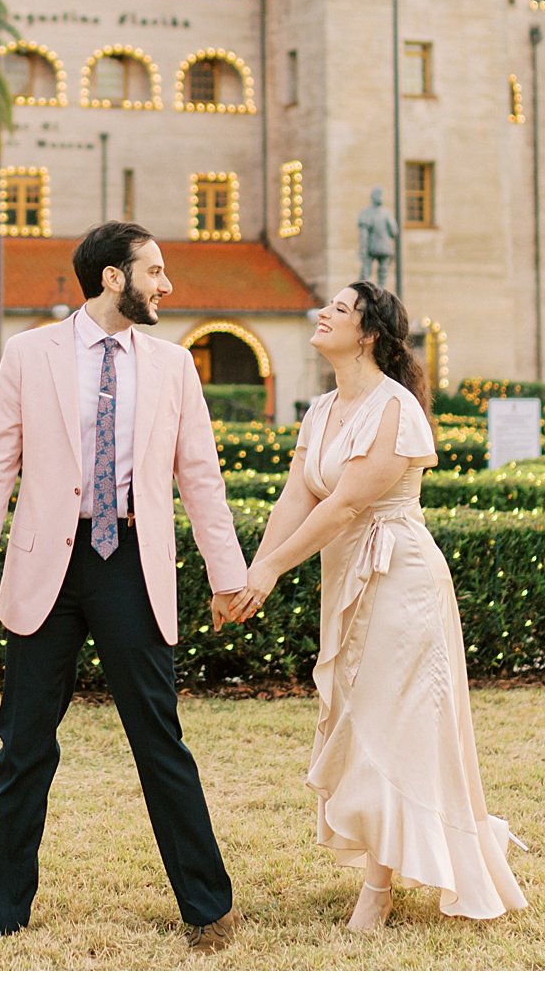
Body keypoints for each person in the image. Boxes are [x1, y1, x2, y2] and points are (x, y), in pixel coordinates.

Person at [0, 222, 251, 951]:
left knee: (159, 739)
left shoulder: (175, 366)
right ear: (113, 278)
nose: (166, 284)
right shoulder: (30, 355)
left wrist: (227, 573)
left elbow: (199, 477)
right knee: (24, 744)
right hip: (44, 566)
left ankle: (208, 909)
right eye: (153, 270)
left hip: (132, 563)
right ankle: (5, 912)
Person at [226, 280, 527, 932]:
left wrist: (274, 571)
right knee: (359, 719)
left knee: (395, 726)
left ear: (367, 334)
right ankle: (388, 860)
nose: (321, 313)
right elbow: (297, 498)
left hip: (401, 580)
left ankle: (378, 889)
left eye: (337, 308)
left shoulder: (395, 409)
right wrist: (253, 569)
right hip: (347, 580)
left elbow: (348, 504)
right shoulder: (320, 409)